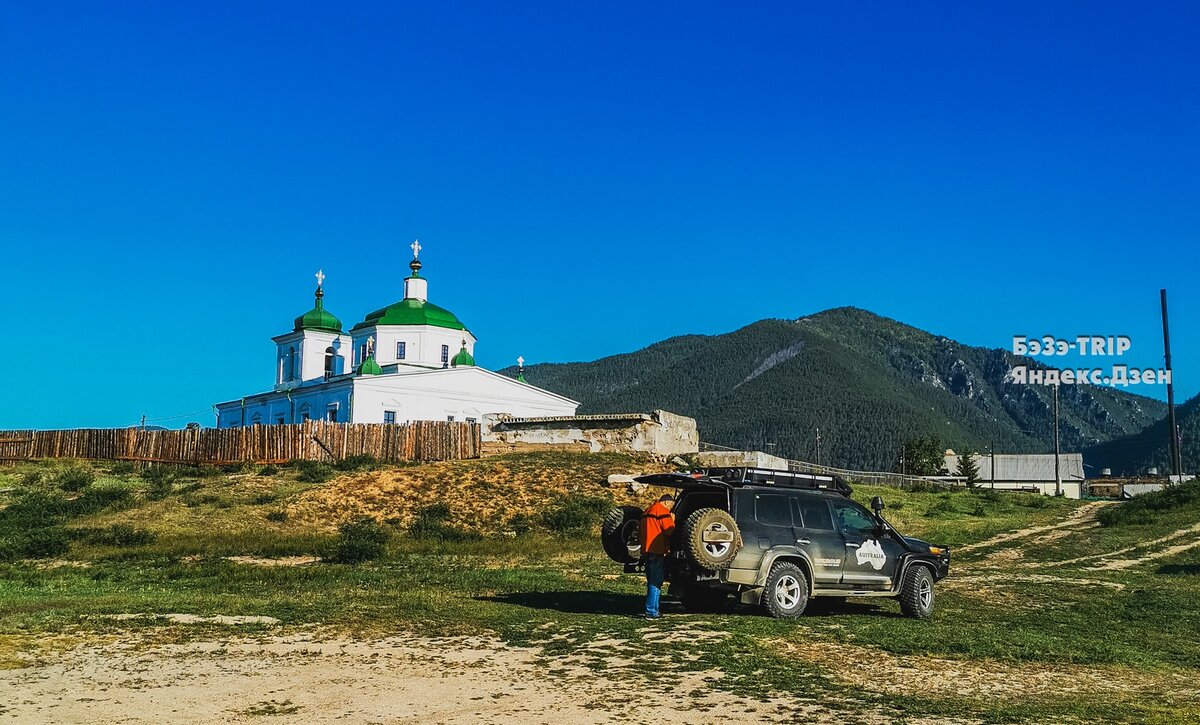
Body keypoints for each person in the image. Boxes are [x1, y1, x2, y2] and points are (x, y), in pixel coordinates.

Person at [639, 493, 675, 619]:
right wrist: (673, 519)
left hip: (646, 550)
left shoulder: (647, 511)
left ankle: (653, 609)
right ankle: (652, 611)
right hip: (657, 550)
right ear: (666, 502)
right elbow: (669, 530)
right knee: (656, 581)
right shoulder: (662, 511)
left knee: (651, 579)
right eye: (671, 506)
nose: (670, 509)